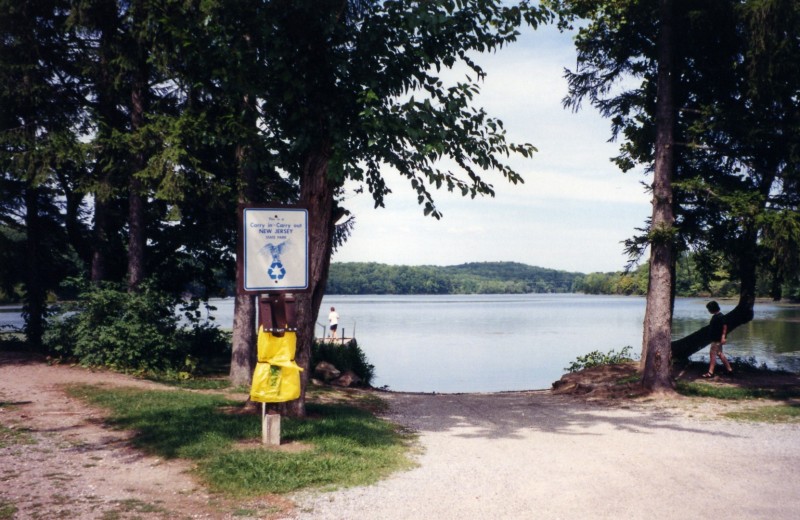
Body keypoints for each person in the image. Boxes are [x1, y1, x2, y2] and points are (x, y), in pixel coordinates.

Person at [703, 301, 733, 378]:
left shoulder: (721, 316)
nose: (708, 310)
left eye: (709, 309)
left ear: (712, 308)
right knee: (720, 354)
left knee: (712, 354)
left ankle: (710, 372)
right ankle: (729, 370)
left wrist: (723, 337)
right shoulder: (715, 316)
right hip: (715, 339)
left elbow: (725, 327)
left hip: (717, 339)